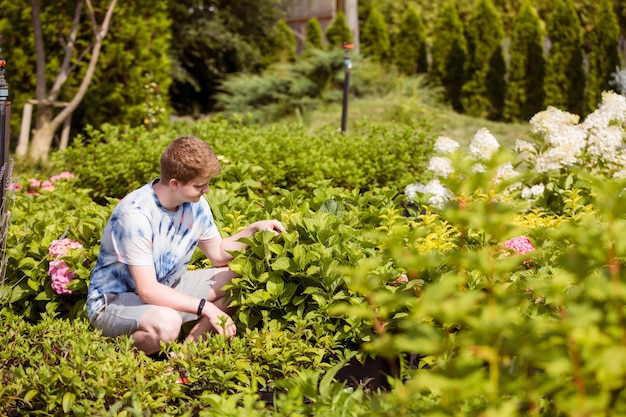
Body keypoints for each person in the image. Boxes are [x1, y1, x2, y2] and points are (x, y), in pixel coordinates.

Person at [86, 135, 285, 355]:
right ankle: (112, 360)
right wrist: (206, 308)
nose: (207, 190)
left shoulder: (194, 204)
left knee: (238, 278)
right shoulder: (135, 215)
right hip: (113, 303)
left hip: (165, 287)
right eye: (200, 185)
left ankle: (182, 361)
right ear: (174, 184)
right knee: (167, 323)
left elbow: (218, 253)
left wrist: (254, 230)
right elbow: (147, 291)